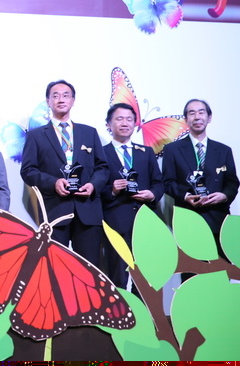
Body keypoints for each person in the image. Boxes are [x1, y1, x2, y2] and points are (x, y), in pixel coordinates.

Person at [20, 80, 109, 267]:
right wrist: (53, 183)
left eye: (66, 95)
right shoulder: (36, 136)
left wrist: (93, 185)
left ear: (73, 100)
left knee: (89, 269)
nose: (61, 99)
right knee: (55, 268)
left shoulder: (89, 133)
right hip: (55, 212)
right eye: (55, 96)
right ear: (48, 101)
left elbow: (102, 168)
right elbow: (28, 171)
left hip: (87, 211)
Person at [162, 99, 238, 257]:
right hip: (188, 220)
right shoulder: (172, 149)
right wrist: (186, 196)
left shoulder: (223, 150)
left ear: (209, 118)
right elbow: (168, 182)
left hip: (218, 219)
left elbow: (232, 182)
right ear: (186, 119)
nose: (197, 117)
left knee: (221, 268)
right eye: (192, 113)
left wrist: (224, 196)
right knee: (192, 269)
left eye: (201, 112)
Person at [101, 103, 164, 289]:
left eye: (129, 119)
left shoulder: (146, 152)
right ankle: (119, 308)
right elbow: (96, 188)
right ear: (108, 124)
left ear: (135, 124)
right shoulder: (101, 153)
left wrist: (152, 194)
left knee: (145, 280)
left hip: (144, 222)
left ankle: (143, 308)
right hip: (116, 223)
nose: (125, 123)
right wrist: (112, 189)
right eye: (119, 119)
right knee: (117, 277)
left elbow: (159, 183)